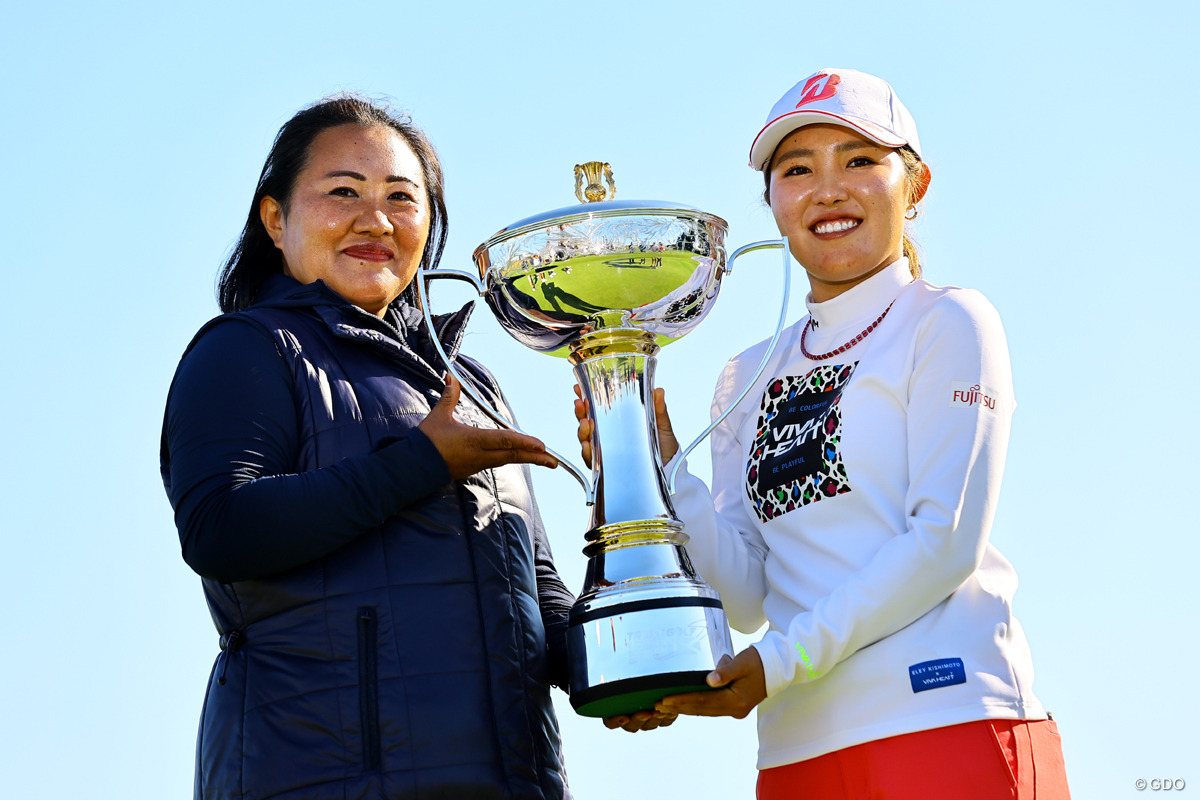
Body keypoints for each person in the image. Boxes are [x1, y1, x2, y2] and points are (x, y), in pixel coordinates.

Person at [578, 69, 1071, 797]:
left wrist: (777, 664)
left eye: (860, 160)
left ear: (916, 185)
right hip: (797, 753)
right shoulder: (745, 372)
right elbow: (747, 594)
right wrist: (661, 472)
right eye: (797, 169)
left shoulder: (948, 321)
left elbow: (944, 542)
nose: (828, 188)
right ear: (774, 204)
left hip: (950, 722)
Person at [160, 96, 574, 800]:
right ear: (275, 220)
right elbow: (219, 527)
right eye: (343, 192)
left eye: (401, 199)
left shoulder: (470, 384)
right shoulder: (247, 348)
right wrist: (419, 464)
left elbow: (536, 592)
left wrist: (631, 665)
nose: (375, 219)